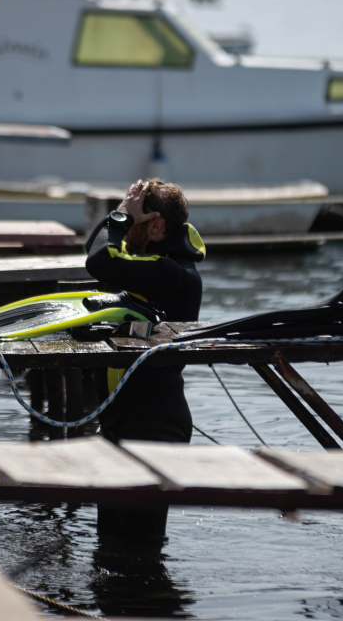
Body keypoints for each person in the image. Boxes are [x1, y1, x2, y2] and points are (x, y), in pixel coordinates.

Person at [84, 178, 205, 543]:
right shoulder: (150, 265)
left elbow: (99, 260)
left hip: (154, 425)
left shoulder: (173, 274)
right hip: (121, 420)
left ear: (157, 226)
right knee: (109, 550)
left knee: (141, 554)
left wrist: (119, 216)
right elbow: (100, 253)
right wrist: (122, 217)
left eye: (133, 222)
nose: (122, 230)